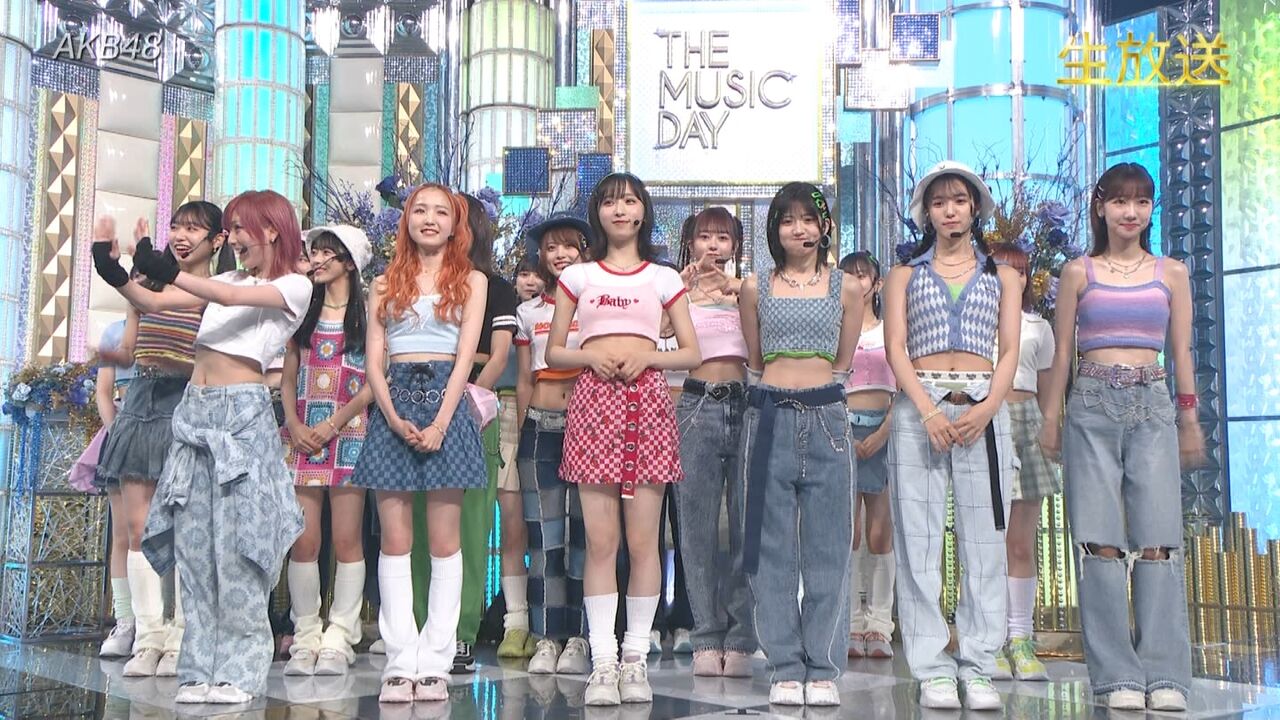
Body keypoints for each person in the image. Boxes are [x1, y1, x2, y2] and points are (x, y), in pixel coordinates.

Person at [97, 189, 311, 704]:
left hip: (241, 417)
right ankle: (198, 669)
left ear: (271, 230)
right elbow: (153, 302)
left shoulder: (294, 284)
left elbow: (230, 300)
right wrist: (112, 269)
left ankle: (239, 672)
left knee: (237, 552)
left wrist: (164, 266)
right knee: (194, 549)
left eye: (240, 228)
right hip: (194, 412)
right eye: (230, 229)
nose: (233, 238)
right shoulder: (226, 280)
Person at [1038, 162, 1203, 713]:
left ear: (1151, 209)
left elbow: (1181, 353)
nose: (1131, 212)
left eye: (1142, 202)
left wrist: (1189, 419)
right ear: (1100, 207)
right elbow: (1062, 354)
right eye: (1120, 201)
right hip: (1090, 404)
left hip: (1153, 403)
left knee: (1159, 542)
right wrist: (1051, 419)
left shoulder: (1171, 273)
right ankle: (1115, 677)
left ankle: (1165, 673)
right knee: (1100, 543)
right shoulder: (1077, 272)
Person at [546, 173, 700, 706]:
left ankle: (635, 659)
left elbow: (691, 352)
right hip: (593, 404)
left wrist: (647, 356)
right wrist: (590, 356)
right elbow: (554, 351)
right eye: (610, 202)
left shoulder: (663, 277)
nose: (620, 210)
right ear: (598, 212)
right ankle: (603, 660)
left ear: (642, 212)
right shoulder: (578, 276)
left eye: (629, 201)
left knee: (643, 542)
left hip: (648, 404)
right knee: (600, 542)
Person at [882, 161, 1021, 711]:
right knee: (917, 542)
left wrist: (988, 409)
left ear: (975, 207)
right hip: (920, 409)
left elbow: (1008, 351)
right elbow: (896, 348)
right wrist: (926, 411)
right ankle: (932, 667)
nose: (950, 211)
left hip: (983, 409)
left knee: (985, 543)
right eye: (939, 202)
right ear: (926, 212)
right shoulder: (903, 275)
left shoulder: (1002, 276)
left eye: (959, 200)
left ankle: (980, 663)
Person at [349, 183, 488, 704]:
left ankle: (435, 660)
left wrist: (441, 424)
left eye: (440, 212)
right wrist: (391, 415)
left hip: (446, 403)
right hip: (395, 404)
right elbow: (374, 360)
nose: (430, 219)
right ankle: (399, 659)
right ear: (406, 219)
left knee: (445, 542)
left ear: (455, 225)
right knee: (395, 540)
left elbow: (466, 357)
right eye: (420, 210)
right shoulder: (384, 282)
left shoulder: (472, 280)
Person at [91, 203, 235, 679]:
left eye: (193, 228)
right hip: (140, 404)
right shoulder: (148, 287)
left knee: (185, 528)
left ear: (217, 240)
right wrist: (103, 353)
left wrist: (122, 267)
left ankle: (182, 633)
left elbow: (214, 361)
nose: (181, 235)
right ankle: (148, 635)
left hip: (186, 404)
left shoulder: (219, 291)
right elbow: (131, 348)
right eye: (176, 226)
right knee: (138, 529)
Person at [738, 182, 863, 707]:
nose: (799, 229)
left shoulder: (847, 288)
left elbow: (843, 360)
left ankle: (824, 665)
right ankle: (785, 664)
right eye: (787, 220)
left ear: (824, 226)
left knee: (829, 546)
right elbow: (755, 358)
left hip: (828, 416)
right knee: (771, 550)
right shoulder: (755, 286)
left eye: (809, 219)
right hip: (768, 415)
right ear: (774, 228)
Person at [407, 192, 519, 675]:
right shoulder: (412, 281)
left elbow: (497, 356)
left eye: (450, 216)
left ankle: (461, 632)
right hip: (416, 409)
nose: (438, 222)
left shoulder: (495, 287)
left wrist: (466, 396)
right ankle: (416, 628)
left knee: (469, 527)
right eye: (426, 212)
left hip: (473, 413)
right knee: (415, 525)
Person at [280, 225, 375, 677]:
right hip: (301, 436)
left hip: (351, 431)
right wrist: (294, 424)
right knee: (303, 539)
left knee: (347, 538)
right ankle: (305, 634)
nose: (316, 260)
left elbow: (376, 380)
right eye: (313, 252)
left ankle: (340, 634)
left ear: (349, 263)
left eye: (326, 254)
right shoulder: (302, 312)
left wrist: (334, 423)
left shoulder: (370, 312)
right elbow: (287, 376)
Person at [669, 208, 754, 678]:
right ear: (691, 243)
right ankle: (705, 633)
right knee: (696, 526)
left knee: (746, 525)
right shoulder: (678, 291)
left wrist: (737, 288)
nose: (713, 245)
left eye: (723, 237)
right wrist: (678, 288)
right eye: (705, 236)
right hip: (695, 404)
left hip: (746, 403)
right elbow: (657, 331)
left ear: (736, 245)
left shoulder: (750, 289)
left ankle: (742, 635)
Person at [511, 214, 592, 674]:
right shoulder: (529, 312)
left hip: (588, 428)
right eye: (551, 248)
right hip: (539, 427)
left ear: (584, 251)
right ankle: (546, 636)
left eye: (569, 246)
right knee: (544, 539)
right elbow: (525, 378)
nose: (560, 255)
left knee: (585, 538)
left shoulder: (595, 306)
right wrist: (523, 429)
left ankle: (580, 637)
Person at [986, 244, 1054, 682]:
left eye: (1021, 271)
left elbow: (1048, 386)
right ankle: (989, 639)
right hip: (986, 420)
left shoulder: (1038, 326)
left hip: (1027, 423)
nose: (1013, 278)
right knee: (986, 542)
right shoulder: (976, 324)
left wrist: (1049, 430)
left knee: (1019, 543)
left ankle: (1021, 639)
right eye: (1002, 270)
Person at [838, 251, 897, 661]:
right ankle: (851, 622)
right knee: (849, 533)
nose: (857, 281)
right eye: (850, 275)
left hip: (884, 431)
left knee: (879, 533)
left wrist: (884, 431)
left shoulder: (889, 328)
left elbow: (903, 386)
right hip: (843, 430)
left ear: (877, 283)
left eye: (864, 275)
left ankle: (880, 623)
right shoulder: (835, 328)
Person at [91, 319, 137, 658]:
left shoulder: (176, 319)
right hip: (123, 436)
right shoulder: (114, 331)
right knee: (123, 534)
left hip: (167, 433)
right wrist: (116, 432)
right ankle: (125, 620)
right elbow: (104, 392)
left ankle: (160, 625)